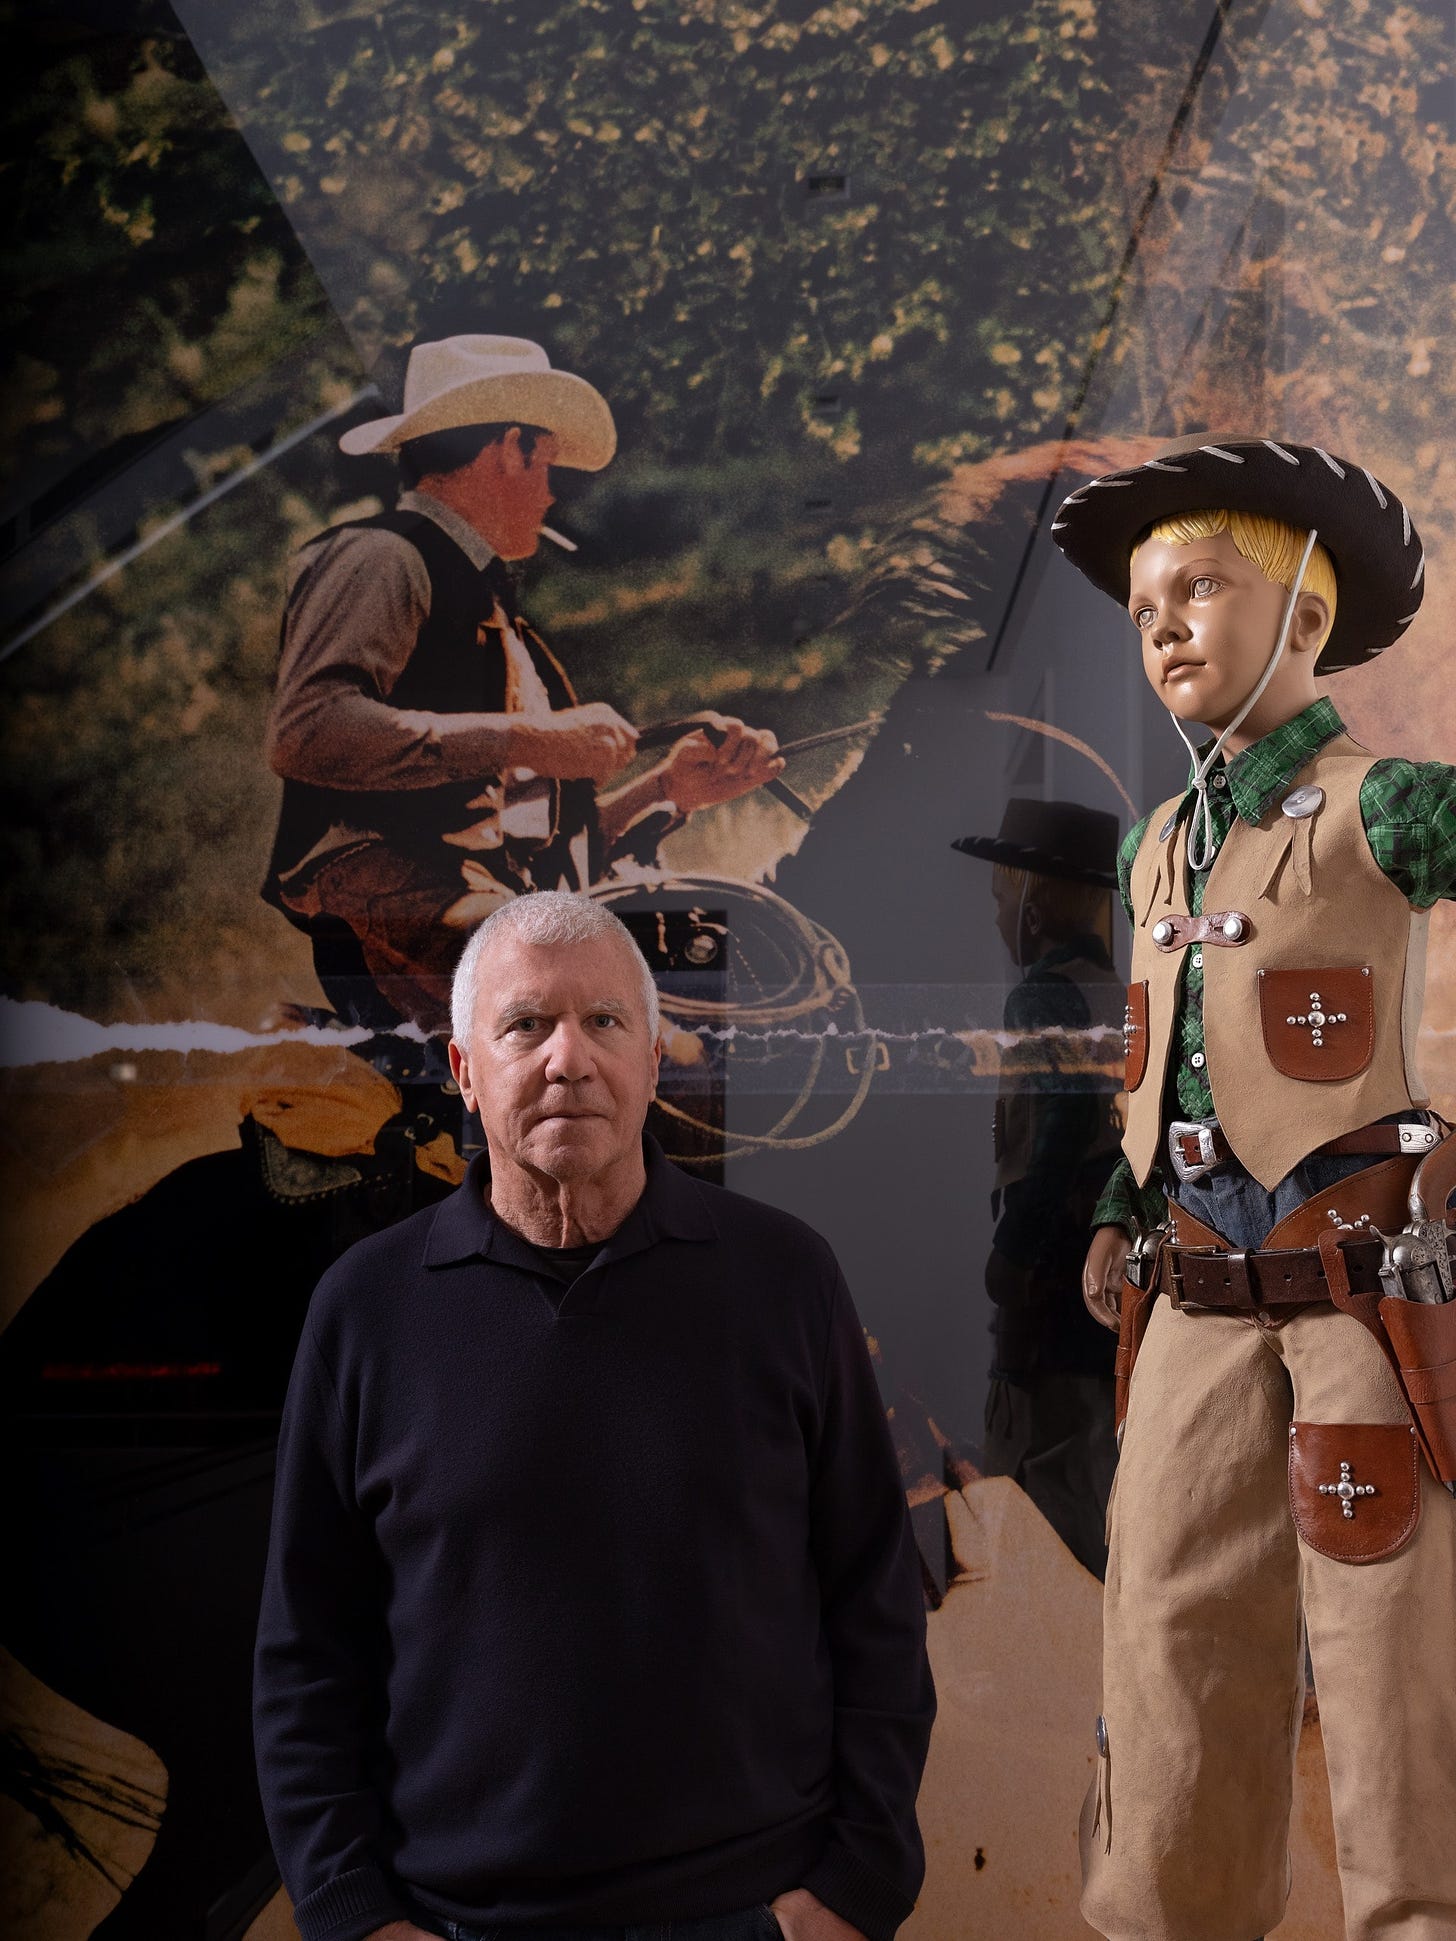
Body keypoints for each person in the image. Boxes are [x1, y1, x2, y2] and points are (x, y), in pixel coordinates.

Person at [252, 891, 936, 1941]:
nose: (568, 1058)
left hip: (752, 1915)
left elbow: (875, 1604)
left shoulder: (784, 1279)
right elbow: (308, 1654)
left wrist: (858, 1889)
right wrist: (350, 1914)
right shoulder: (366, 1309)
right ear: (465, 1071)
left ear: (654, 1060)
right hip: (455, 1922)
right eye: (525, 1025)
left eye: (606, 1022)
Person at [1050, 435, 1456, 1941]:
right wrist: (1118, 1206)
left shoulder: (1395, 807)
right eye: (1144, 599)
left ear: (1303, 610)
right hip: (1195, 1297)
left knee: (1386, 1642)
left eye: (1201, 585)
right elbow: (1168, 1062)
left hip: (1363, 1292)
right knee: (1163, 1632)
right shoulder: (1158, 845)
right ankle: (1168, 1917)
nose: (1161, 620)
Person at [262, 335, 782, 1029]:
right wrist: (530, 735)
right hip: (394, 911)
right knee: (660, 1046)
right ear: (511, 448)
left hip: (485, 911)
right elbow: (308, 732)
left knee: (733, 1009)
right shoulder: (381, 557)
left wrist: (665, 790)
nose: (550, 491)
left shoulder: (501, 624)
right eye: (548, 460)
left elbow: (527, 848)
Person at [952, 799, 1123, 1575]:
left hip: (1052, 1274)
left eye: (998, 899)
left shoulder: (1042, 997)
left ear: (1039, 902)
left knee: (1040, 1475)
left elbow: (1058, 1129)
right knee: (1092, 1463)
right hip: (1105, 1277)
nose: (996, 917)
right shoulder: (1118, 990)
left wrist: (1014, 1251)